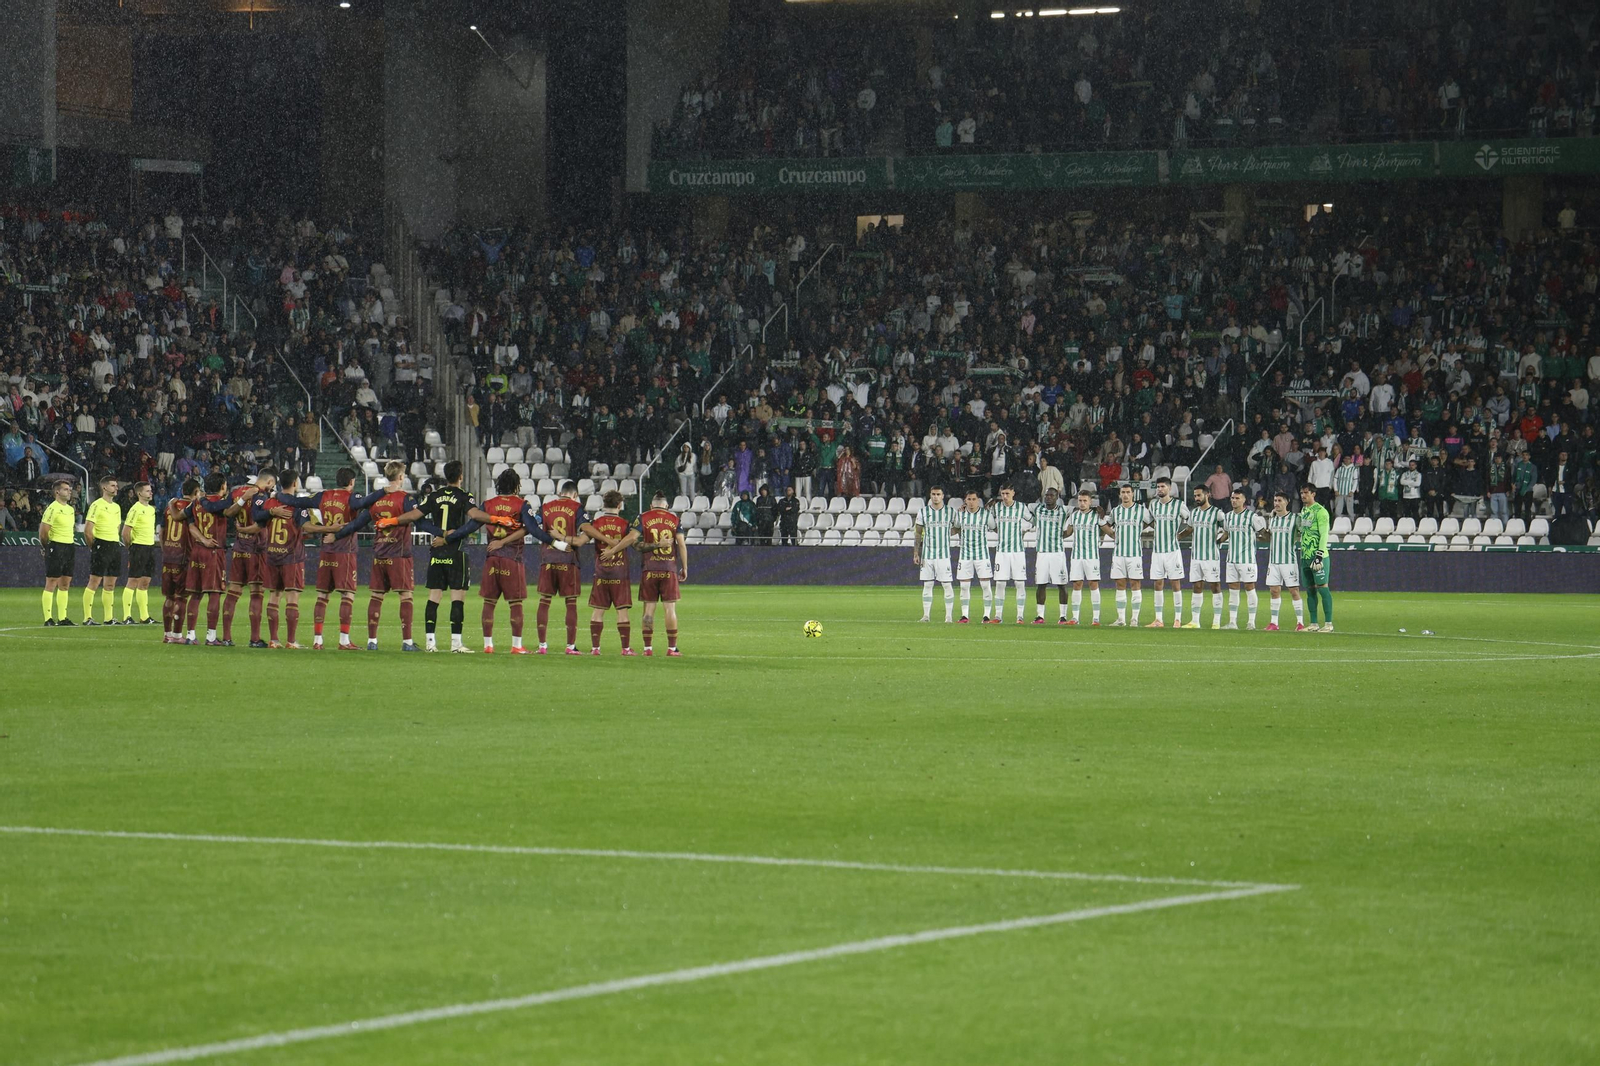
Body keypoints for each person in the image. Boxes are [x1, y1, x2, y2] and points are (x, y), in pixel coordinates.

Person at [383, 462, 475, 652]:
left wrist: (393, 520)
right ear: (461, 476)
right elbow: (474, 518)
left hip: (436, 551)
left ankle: (430, 643)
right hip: (456, 551)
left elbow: (415, 516)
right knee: (457, 598)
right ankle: (456, 644)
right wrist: (450, 536)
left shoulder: (434, 496)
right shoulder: (465, 496)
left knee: (434, 597)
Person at [251, 470, 342, 649]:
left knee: (274, 596)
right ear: (295, 484)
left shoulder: (270, 503)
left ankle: (274, 640)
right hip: (291, 557)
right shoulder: (297, 507)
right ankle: (291, 641)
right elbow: (307, 526)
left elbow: (258, 523)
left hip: (272, 554)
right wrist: (330, 529)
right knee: (292, 597)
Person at [221, 470, 276, 647]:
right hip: (256, 550)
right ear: (269, 481)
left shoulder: (238, 492)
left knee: (233, 592)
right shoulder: (263, 498)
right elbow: (259, 526)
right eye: (272, 484)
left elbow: (227, 513)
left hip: (239, 549)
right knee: (256, 594)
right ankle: (254, 639)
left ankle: (227, 638)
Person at [537, 480, 591, 655]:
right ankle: (570, 646)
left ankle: (542, 646)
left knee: (544, 602)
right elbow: (586, 533)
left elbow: (534, 526)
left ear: (561, 492)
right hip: (568, 560)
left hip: (548, 559)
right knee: (571, 603)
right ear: (575, 495)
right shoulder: (577, 508)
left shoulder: (545, 507)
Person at [581, 490, 635, 655]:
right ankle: (625, 649)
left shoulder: (596, 524)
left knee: (598, 610)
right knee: (622, 611)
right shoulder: (625, 524)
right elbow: (633, 540)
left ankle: (595, 648)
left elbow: (582, 540)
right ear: (619, 505)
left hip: (601, 572)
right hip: (619, 572)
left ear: (604, 505)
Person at [635, 492, 686, 656]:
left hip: (649, 568)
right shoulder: (674, 519)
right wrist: (684, 567)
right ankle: (672, 648)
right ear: (667, 506)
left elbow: (635, 542)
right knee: (669, 609)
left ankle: (647, 648)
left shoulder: (643, 517)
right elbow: (682, 545)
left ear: (651, 505)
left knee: (648, 609)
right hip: (668, 568)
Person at [183, 473, 232, 644]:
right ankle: (211, 636)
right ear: (223, 486)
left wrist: (202, 539)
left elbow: (190, 524)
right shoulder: (220, 504)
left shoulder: (196, 503)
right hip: (213, 551)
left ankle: (190, 635)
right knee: (215, 593)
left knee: (195, 594)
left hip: (197, 550)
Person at [1260, 491, 1307, 632]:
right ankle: (1274, 623)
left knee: (1294, 591)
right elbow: (1270, 537)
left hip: (1288, 561)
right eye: (1275, 500)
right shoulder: (1272, 519)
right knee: (1274, 591)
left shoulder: (1295, 518)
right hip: (1273, 561)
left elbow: (1304, 532)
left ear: (1286, 502)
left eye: (1279, 500)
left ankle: (1300, 623)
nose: (1276, 503)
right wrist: (1261, 534)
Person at [1104, 483, 1149, 626]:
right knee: (1120, 584)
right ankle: (1121, 619)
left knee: (1135, 584)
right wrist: (1112, 534)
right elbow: (1106, 525)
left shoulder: (1141, 510)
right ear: (1119, 494)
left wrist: (1140, 529)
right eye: (1123, 492)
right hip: (1118, 554)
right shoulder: (1116, 511)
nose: (1125, 495)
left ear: (1133, 494)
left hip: (1134, 553)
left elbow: (1152, 523)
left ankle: (1134, 618)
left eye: (1128, 492)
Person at [1146, 476, 1188, 628]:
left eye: (1163, 487)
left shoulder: (1178, 505)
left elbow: (1190, 522)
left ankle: (1177, 618)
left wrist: (1181, 536)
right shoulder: (1153, 505)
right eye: (1158, 487)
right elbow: (1149, 521)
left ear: (1169, 488)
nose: (1160, 489)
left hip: (1172, 551)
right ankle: (1158, 619)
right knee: (1158, 583)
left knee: (1175, 583)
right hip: (1157, 551)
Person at [159, 480, 198, 643]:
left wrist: (165, 549)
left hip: (169, 555)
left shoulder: (170, 506)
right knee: (181, 597)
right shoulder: (194, 508)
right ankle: (177, 635)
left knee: (169, 597)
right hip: (184, 557)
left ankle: (167, 634)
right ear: (196, 491)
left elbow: (162, 530)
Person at [82, 476, 122, 625]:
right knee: (94, 582)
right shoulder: (96, 505)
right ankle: (87, 617)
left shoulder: (116, 507)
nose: (116, 488)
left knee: (110, 584)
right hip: (101, 545)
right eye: (113, 485)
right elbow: (87, 531)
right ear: (104, 488)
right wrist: (95, 546)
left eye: (116, 485)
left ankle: (109, 618)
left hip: (114, 545)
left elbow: (117, 528)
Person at [913, 486, 956, 623]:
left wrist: (947, 534)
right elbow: (918, 533)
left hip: (943, 555)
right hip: (927, 555)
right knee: (927, 584)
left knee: (947, 585)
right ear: (930, 495)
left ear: (943, 496)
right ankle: (926, 616)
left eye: (938, 494)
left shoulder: (950, 512)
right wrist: (916, 553)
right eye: (933, 494)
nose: (935, 497)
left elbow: (958, 527)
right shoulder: (923, 512)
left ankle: (948, 616)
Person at [1185, 485, 1225, 629]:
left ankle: (1216, 621)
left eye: (1199, 495)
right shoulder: (1193, 513)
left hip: (1211, 557)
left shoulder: (1217, 513)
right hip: (1196, 557)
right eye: (1195, 496)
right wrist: (1177, 537)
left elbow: (1227, 530)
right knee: (1197, 586)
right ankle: (1195, 621)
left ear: (1207, 495)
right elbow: (1189, 529)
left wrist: (1219, 541)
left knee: (1215, 586)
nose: (1196, 498)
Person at [1221, 489, 1262, 629]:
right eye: (1232, 498)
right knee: (1233, 590)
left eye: (1237, 498)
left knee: (1250, 588)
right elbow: (1226, 533)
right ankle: (1232, 622)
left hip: (1247, 559)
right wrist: (1218, 541)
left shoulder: (1252, 517)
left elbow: (1262, 532)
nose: (1234, 500)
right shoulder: (1228, 516)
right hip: (1231, 559)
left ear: (1244, 500)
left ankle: (1251, 621)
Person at [39, 479, 78, 627]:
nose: (69, 491)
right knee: (51, 582)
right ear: (57, 492)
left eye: (69, 489)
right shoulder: (52, 508)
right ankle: (48, 618)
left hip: (69, 546)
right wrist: (47, 547)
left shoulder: (70, 509)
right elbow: (43, 532)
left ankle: (62, 617)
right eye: (66, 489)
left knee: (65, 583)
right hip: (56, 546)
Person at [119, 481, 159, 625]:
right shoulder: (135, 509)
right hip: (138, 547)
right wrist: (131, 547)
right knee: (133, 581)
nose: (150, 493)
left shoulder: (151, 509)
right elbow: (125, 532)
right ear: (139, 493)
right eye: (147, 491)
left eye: (150, 490)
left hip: (149, 547)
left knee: (145, 582)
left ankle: (144, 616)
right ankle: (127, 616)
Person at [990, 484, 1030, 623]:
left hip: (1017, 551)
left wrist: (1025, 531)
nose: (1005, 496)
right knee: (1000, 583)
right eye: (1002, 494)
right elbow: (989, 522)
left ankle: (1020, 616)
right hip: (1001, 552)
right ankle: (998, 616)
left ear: (1013, 492)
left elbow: (1033, 521)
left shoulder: (1021, 507)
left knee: (1019, 583)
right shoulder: (996, 507)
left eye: (1007, 493)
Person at [1298, 483, 1334, 633]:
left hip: (1318, 556)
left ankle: (1328, 624)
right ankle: (1313, 623)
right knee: (1310, 590)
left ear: (1313, 494)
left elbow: (1324, 534)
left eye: (1306, 493)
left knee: (1322, 588)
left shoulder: (1321, 511)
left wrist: (1319, 555)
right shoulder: (1304, 510)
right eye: (1301, 493)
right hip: (1305, 555)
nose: (1303, 495)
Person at [1030, 486, 1069, 624]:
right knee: (1041, 584)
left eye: (1051, 495)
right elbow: (1021, 509)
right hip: (1042, 553)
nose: (1048, 497)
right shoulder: (1037, 509)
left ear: (1057, 497)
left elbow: (1079, 511)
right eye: (1046, 495)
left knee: (1061, 584)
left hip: (1057, 553)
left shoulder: (1064, 511)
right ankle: (1040, 616)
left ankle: (1063, 616)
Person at [955, 490, 994, 624]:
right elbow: (956, 528)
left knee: (985, 585)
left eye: (973, 499)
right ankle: (965, 615)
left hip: (982, 554)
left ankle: (986, 615)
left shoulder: (985, 514)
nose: (971, 502)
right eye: (969, 499)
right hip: (965, 555)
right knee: (964, 586)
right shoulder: (960, 514)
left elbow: (994, 527)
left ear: (978, 500)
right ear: (965, 501)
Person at [1065, 489, 1103, 626]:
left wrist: (1117, 537)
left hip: (1091, 556)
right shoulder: (1074, 516)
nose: (1082, 503)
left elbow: (1107, 529)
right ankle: (1075, 617)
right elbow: (1067, 532)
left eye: (1085, 501)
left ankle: (1096, 618)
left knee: (1093, 584)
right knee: (1077, 584)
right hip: (1076, 556)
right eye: (1080, 501)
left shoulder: (1096, 515)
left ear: (1090, 502)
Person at [1333, 456, 1359, 521]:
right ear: (1343, 459)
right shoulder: (1340, 469)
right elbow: (1335, 480)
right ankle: (1337, 522)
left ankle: (1351, 522)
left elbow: (1355, 481)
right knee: (1338, 509)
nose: (1347, 460)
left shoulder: (1354, 469)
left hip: (1349, 492)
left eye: (1348, 459)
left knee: (1350, 509)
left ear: (1351, 460)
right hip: (1339, 492)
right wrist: (1336, 490)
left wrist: (1352, 491)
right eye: (1345, 458)